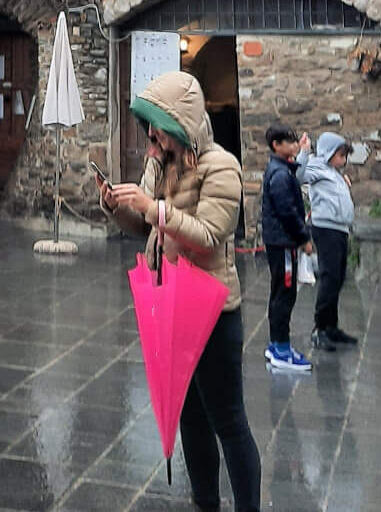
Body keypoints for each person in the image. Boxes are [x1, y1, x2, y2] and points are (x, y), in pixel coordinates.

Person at [102, 71, 260, 511]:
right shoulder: (161, 164)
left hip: (212, 309)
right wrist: (119, 207)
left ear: (181, 125)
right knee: (190, 416)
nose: (153, 139)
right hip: (169, 303)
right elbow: (143, 228)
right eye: (150, 130)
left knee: (228, 420)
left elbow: (208, 234)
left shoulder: (222, 166)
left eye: (160, 130)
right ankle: (205, 502)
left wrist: (154, 207)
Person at [260, 124, 313, 373]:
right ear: (276, 146)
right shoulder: (280, 175)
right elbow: (288, 212)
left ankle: (277, 343)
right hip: (283, 243)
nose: (294, 146)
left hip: (280, 241)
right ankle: (281, 348)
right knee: (284, 293)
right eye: (289, 142)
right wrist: (304, 238)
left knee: (280, 291)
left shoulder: (282, 169)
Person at [300, 131, 358, 352]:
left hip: (340, 230)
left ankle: (331, 326)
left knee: (338, 277)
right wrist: (304, 154)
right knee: (329, 277)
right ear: (328, 152)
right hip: (327, 229)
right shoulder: (316, 166)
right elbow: (300, 176)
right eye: (340, 155)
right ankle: (320, 329)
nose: (343, 160)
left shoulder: (332, 172)